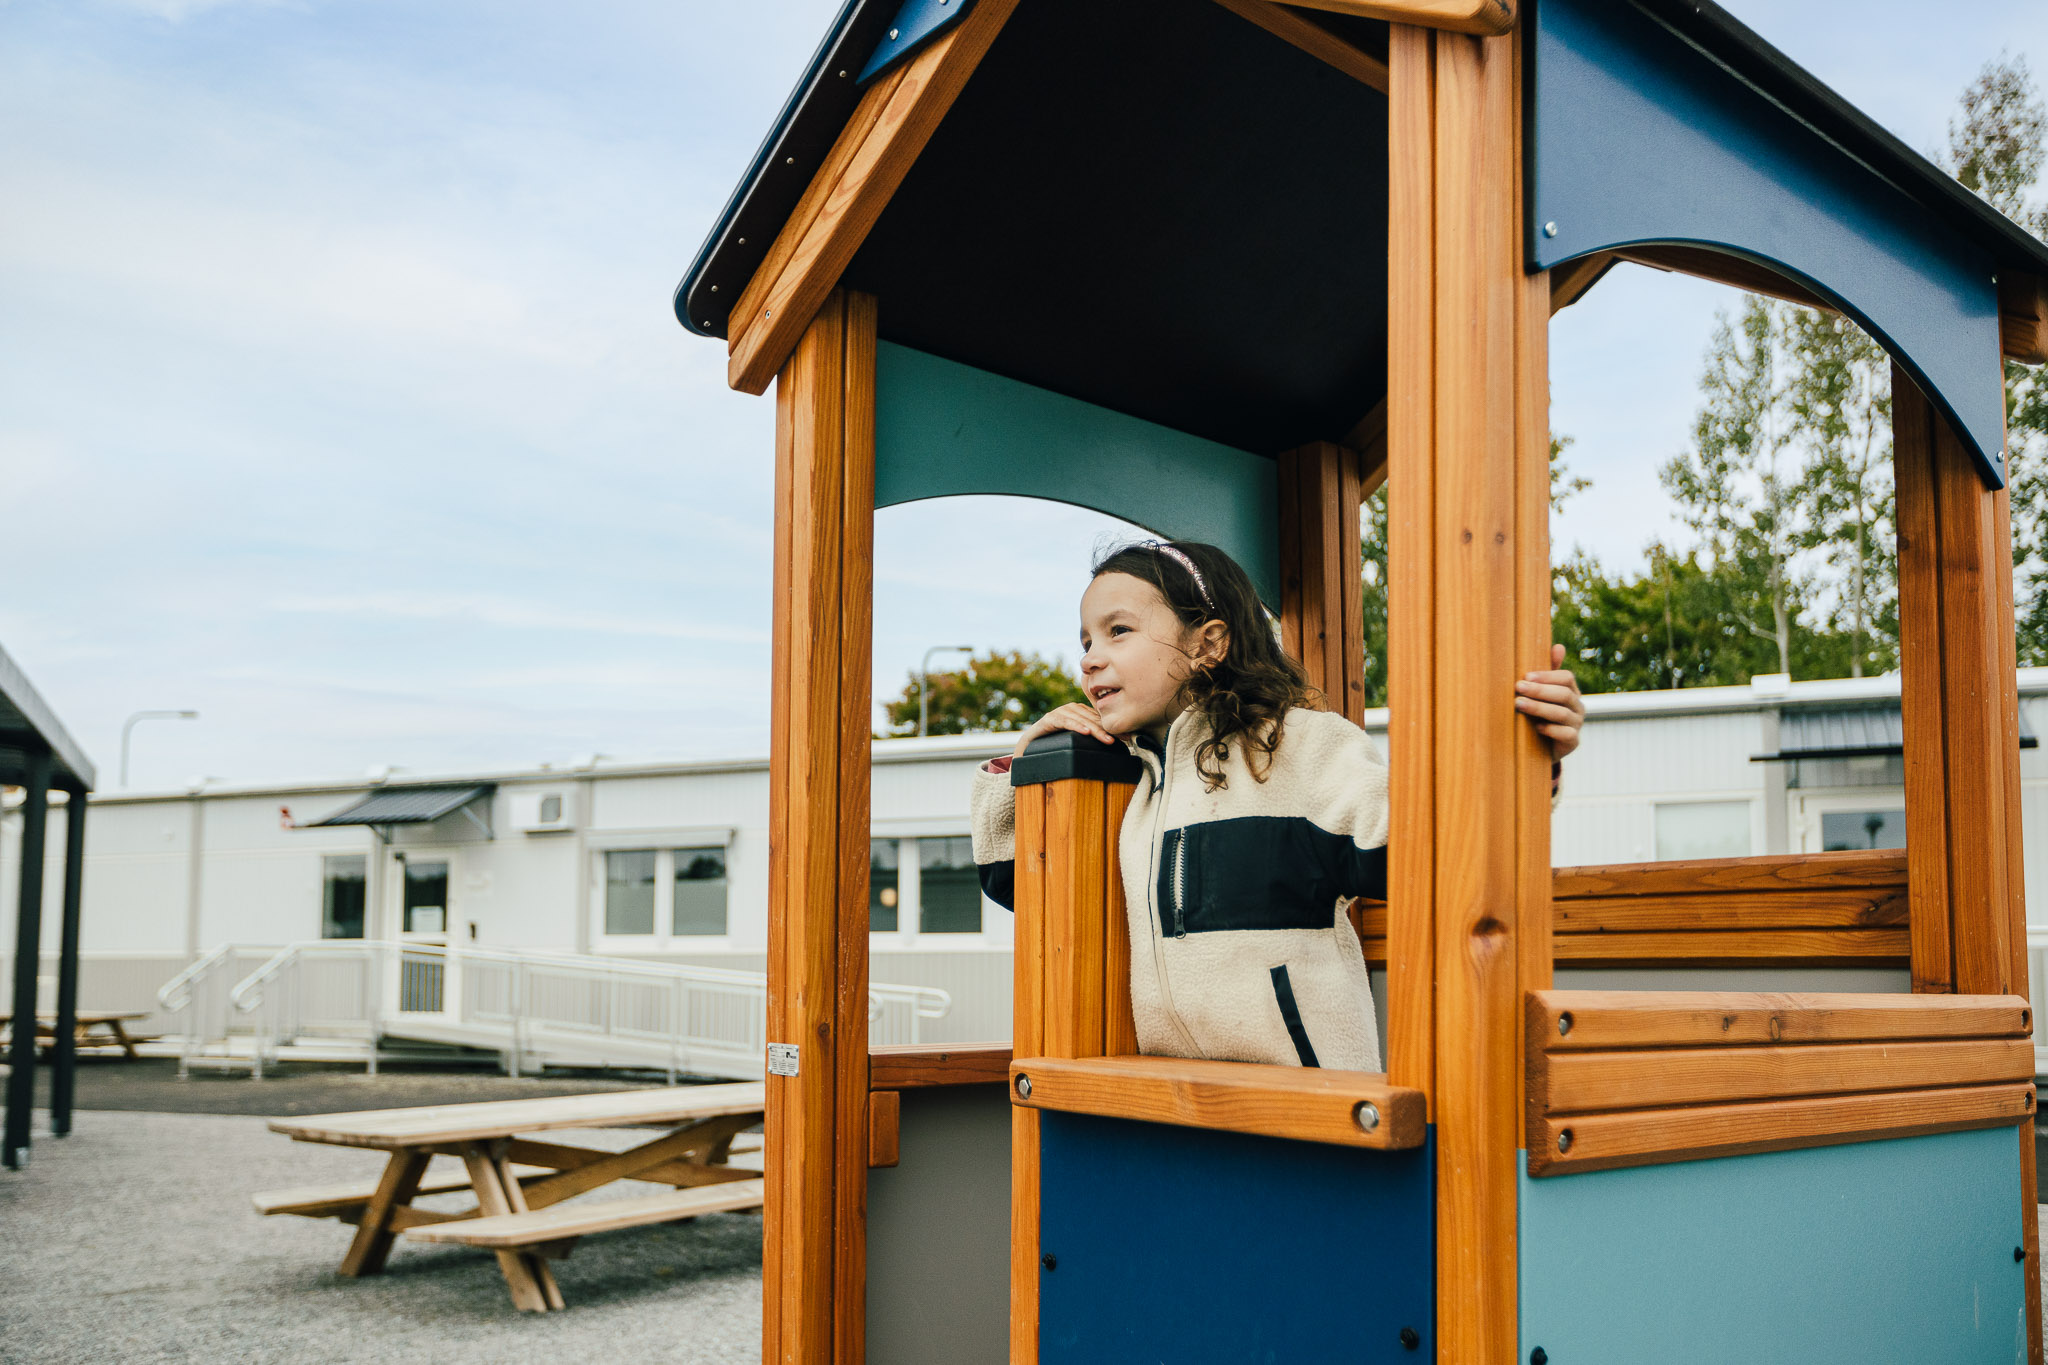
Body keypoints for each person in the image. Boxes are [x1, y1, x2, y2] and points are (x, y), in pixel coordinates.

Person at [969, 539, 1586, 1072]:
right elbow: (1016, 882)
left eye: (1118, 630)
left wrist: (1527, 763)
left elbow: (1427, 847)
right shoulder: (1126, 782)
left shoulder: (1298, 749)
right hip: (1178, 1103)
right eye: (1085, 640)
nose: (1090, 657)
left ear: (1208, 644)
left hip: (1309, 1100)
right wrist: (1027, 764)